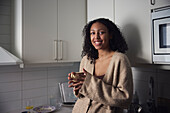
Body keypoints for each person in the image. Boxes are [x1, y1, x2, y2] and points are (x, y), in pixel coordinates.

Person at [68, 18, 133, 113]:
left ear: (110, 35)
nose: (96, 37)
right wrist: (78, 87)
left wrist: (89, 83)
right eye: (92, 33)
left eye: (101, 32)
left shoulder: (120, 60)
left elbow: (125, 98)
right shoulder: (86, 59)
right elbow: (82, 94)